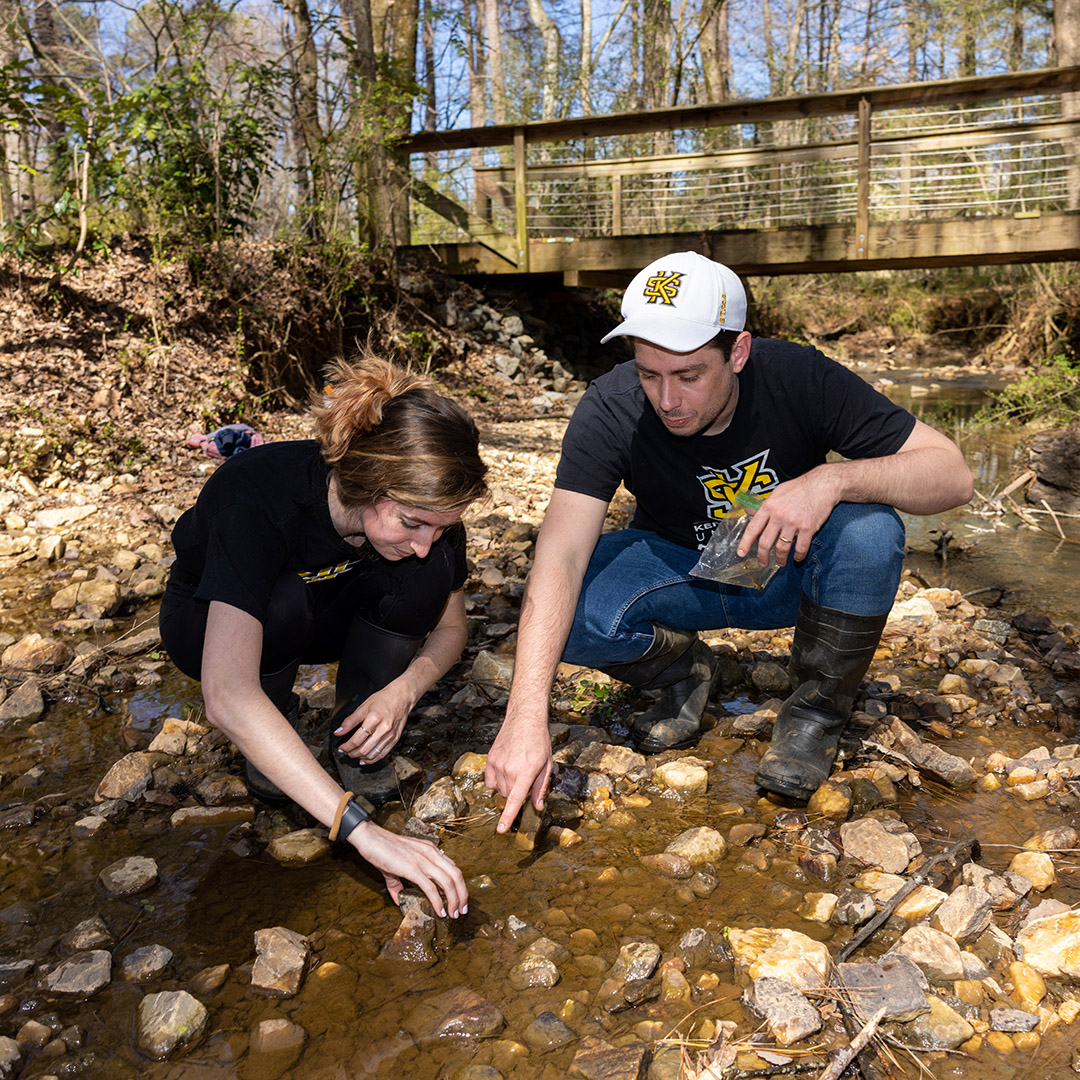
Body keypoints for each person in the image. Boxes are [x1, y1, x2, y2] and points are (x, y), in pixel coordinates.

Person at [485, 251, 974, 826]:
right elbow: (561, 551)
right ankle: (686, 671)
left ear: (737, 352)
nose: (667, 400)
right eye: (649, 374)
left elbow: (953, 474)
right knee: (566, 606)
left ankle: (814, 717)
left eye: (689, 376)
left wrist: (832, 479)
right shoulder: (612, 407)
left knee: (869, 529)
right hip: (679, 571)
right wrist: (524, 717)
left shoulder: (799, 377)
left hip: (781, 571)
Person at [160, 355, 488, 919]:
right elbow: (226, 694)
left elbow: (453, 628)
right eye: (413, 523)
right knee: (283, 602)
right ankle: (274, 737)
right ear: (367, 485)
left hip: (331, 607)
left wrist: (403, 692)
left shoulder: (424, 525)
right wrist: (361, 831)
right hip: (208, 623)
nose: (429, 539)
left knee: (426, 574)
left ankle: (357, 733)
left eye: (445, 526)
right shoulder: (260, 496)